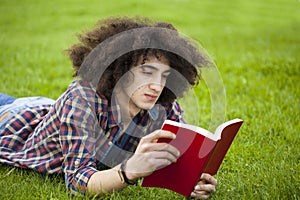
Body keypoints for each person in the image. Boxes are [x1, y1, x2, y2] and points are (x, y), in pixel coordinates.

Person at [0, 16, 217, 199]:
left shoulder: (162, 105)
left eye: (165, 76)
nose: (158, 85)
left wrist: (194, 181)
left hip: (48, 108)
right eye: (147, 72)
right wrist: (128, 171)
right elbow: (77, 180)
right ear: (119, 69)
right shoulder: (81, 99)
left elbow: (178, 160)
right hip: (15, 122)